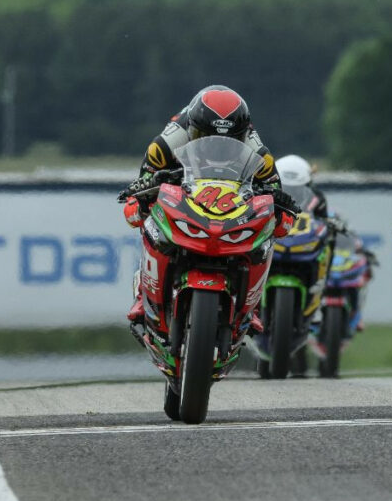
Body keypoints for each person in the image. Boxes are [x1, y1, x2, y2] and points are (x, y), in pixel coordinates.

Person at [118, 85, 297, 330]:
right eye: (206, 137)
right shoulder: (166, 143)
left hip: (232, 193)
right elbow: (142, 182)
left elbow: (275, 189)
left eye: (230, 140)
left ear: (243, 135)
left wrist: (280, 208)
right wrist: (143, 192)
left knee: (274, 226)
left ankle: (251, 305)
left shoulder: (258, 149)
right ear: (192, 129)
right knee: (144, 211)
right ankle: (144, 293)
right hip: (186, 185)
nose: (219, 146)